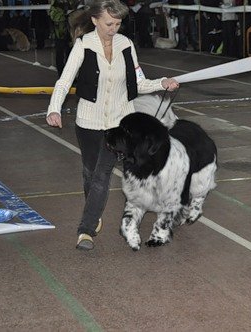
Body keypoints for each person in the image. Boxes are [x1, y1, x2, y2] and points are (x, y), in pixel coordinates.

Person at [46, 0, 179, 250]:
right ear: (95, 21)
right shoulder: (83, 45)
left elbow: (137, 83)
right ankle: (93, 213)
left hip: (119, 126)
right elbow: (64, 81)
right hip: (87, 122)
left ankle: (85, 230)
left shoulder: (126, 45)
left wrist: (162, 83)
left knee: (101, 175)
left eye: (117, 24)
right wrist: (54, 109)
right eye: (109, 23)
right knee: (89, 173)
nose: (113, 28)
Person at [49, 0, 80, 76]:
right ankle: (61, 76)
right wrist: (64, 13)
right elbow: (53, 16)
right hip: (60, 31)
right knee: (60, 54)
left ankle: (70, 76)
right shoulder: (56, 2)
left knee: (71, 55)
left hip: (71, 31)